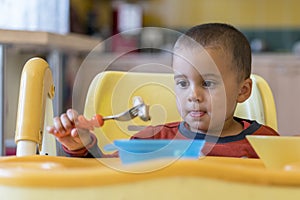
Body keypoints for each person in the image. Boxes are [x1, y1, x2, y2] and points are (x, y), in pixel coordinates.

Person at [47, 23, 279, 158]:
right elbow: (104, 178)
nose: (193, 96)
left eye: (207, 83)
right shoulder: (153, 141)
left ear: (243, 91)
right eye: (182, 83)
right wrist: (80, 146)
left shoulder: (265, 143)